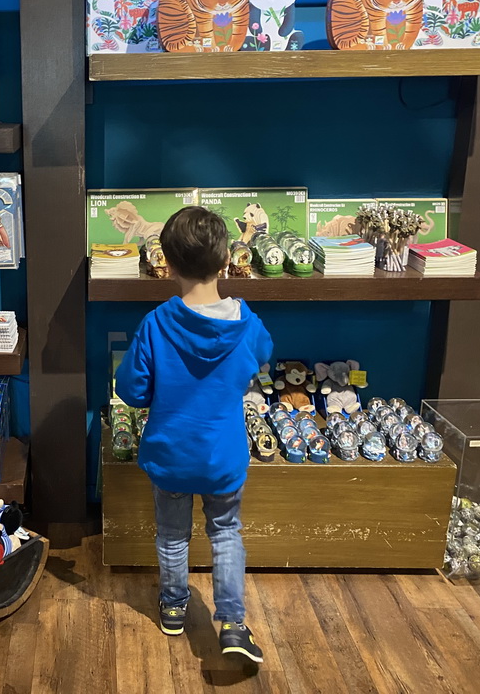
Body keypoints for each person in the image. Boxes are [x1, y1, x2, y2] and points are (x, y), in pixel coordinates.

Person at [115, 206, 272, 663]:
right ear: (226, 260)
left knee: (171, 535)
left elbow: (132, 390)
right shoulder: (247, 323)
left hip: (171, 453)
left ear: (167, 263)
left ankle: (174, 608)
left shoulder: (156, 323)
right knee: (226, 533)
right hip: (223, 454)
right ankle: (233, 624)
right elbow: (262, 358)